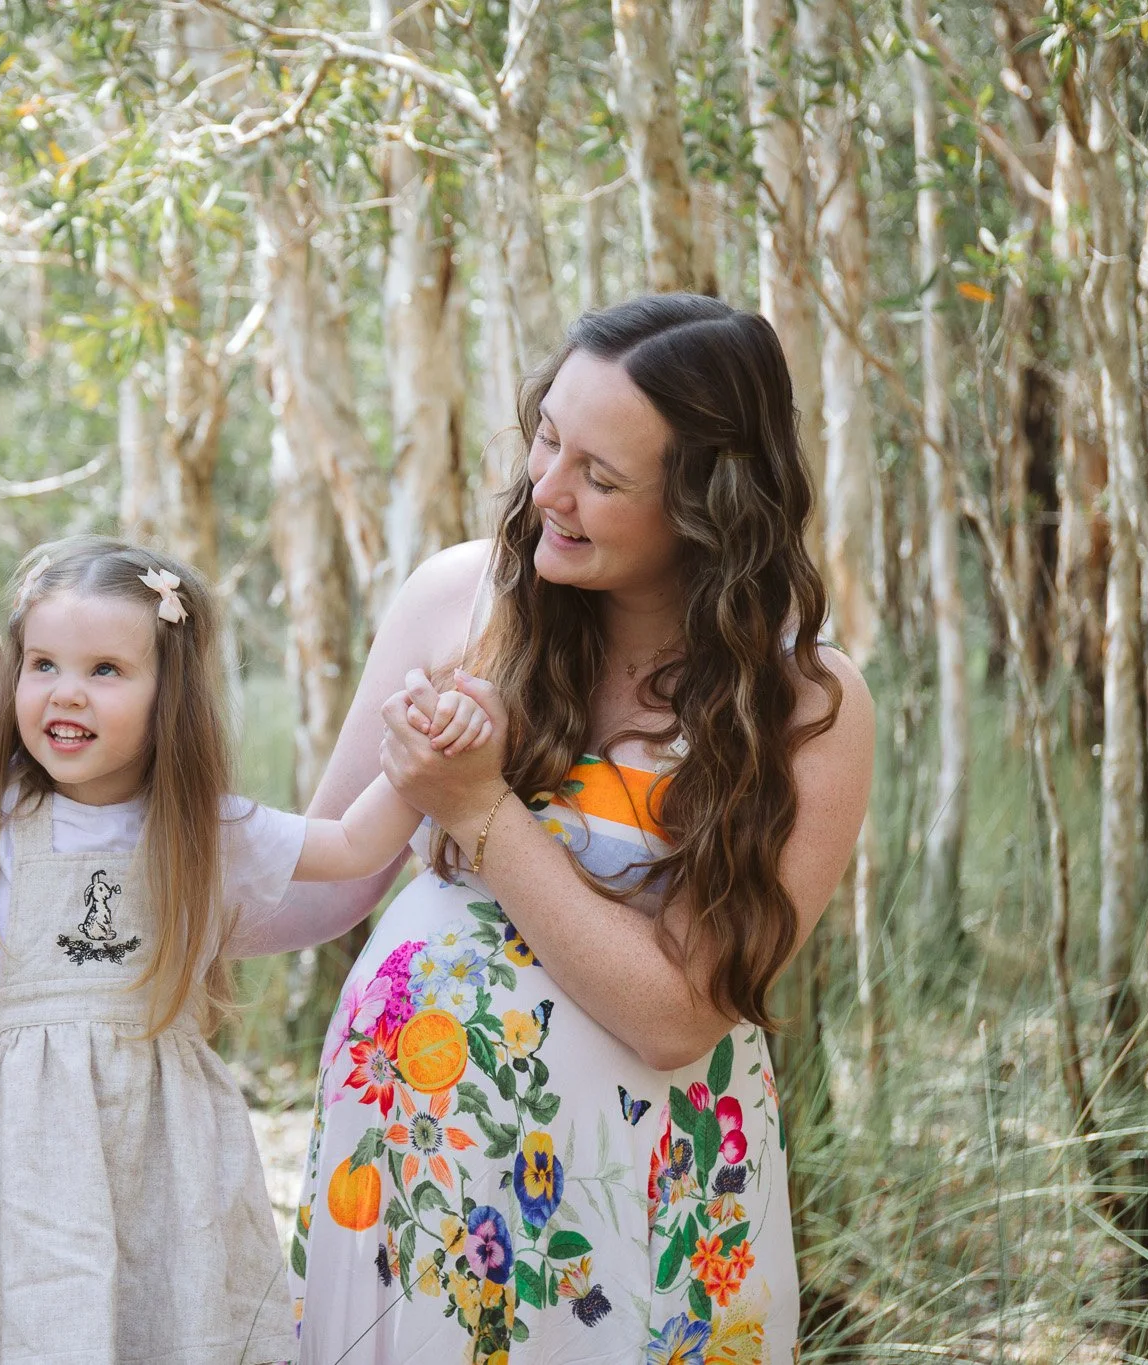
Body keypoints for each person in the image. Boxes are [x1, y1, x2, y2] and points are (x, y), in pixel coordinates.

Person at [284, 295, 875, 1363]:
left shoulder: (800, 704)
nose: (547, 489)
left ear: (708, 506)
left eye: (600, 477)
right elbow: (319, 881)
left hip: (642, 1226)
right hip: (409, 1205)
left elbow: (673, 1016)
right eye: (545, 437)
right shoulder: (456, 601)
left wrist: (478, 810)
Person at [0, 528, 490, 1363]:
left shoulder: (204, 829)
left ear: (169, 693)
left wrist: (428, 753)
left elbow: (349, 843)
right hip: (25, 1157)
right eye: (43, 664)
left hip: (169, 1153)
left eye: (105, 670)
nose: (65, 693)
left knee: (178, 1324)